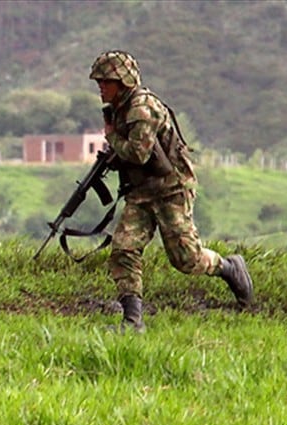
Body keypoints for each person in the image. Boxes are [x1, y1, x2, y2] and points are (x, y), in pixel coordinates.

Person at [89, 50, 253, 333]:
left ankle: (230, 268)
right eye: (99, 81)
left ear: (123, 82)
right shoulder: (119, 108)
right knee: (124, 249)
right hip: (141, 192)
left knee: (186, 259)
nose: (101, 87)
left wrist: (111, 136)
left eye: (106, 81)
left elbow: (138, 154)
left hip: (171, 189)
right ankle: (132, 321)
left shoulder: (141, 108)